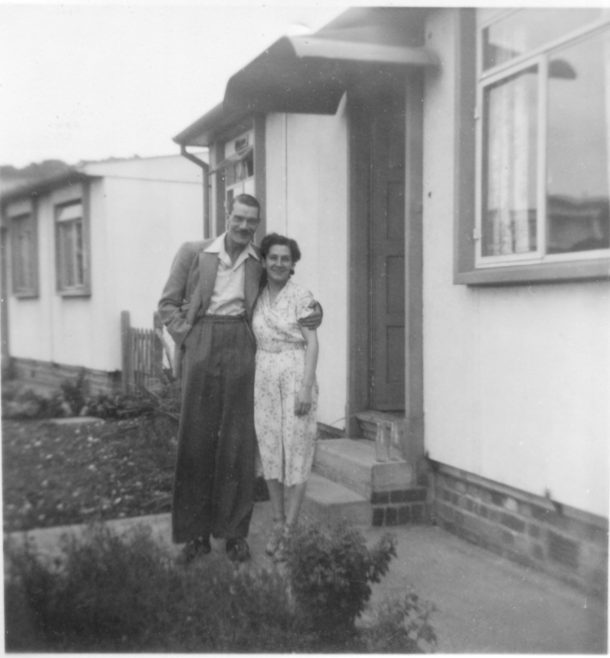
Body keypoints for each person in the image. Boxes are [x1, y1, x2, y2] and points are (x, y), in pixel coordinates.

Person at [158, 194, 321, 564]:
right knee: (196, 438)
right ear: (227, 216)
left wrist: (316, 312)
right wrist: (189, 336)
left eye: (252, 221)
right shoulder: (194, 252)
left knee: (238, 442)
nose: (245, 226)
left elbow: (283, 286)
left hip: (243, 348)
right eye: (240, 218)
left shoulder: (257, 263)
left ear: (257, 225)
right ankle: (195, 535)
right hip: (203, 342)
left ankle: (234, 533)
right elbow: (167, 303)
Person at [252, 233, 319, 560]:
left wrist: (306, 386)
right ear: (264, 261)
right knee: (271, 451)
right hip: (264, 377)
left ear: (293, 264)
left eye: (285, 258)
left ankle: (291, 530)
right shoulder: (258, 296)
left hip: (294, 375)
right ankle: (277, 522)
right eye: (273, 257)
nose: (279, 263)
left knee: (296, 449)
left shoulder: (302, 296)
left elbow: (313, 343)